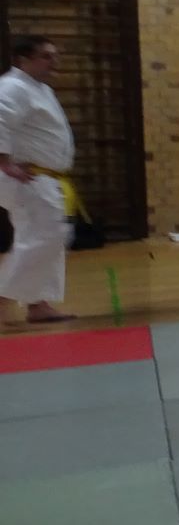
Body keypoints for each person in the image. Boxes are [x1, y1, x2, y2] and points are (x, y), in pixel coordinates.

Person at [0, 35, 78, 323]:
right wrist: (3, 161)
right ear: (23, 59)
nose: (54, 61)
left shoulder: (39, 89)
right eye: (46, 56)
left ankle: (38, 304)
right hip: (27, 176)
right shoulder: (13, 87)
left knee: (46, 237)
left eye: (55, 55)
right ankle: (4, 296)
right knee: (47, 235)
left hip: (43, 177)